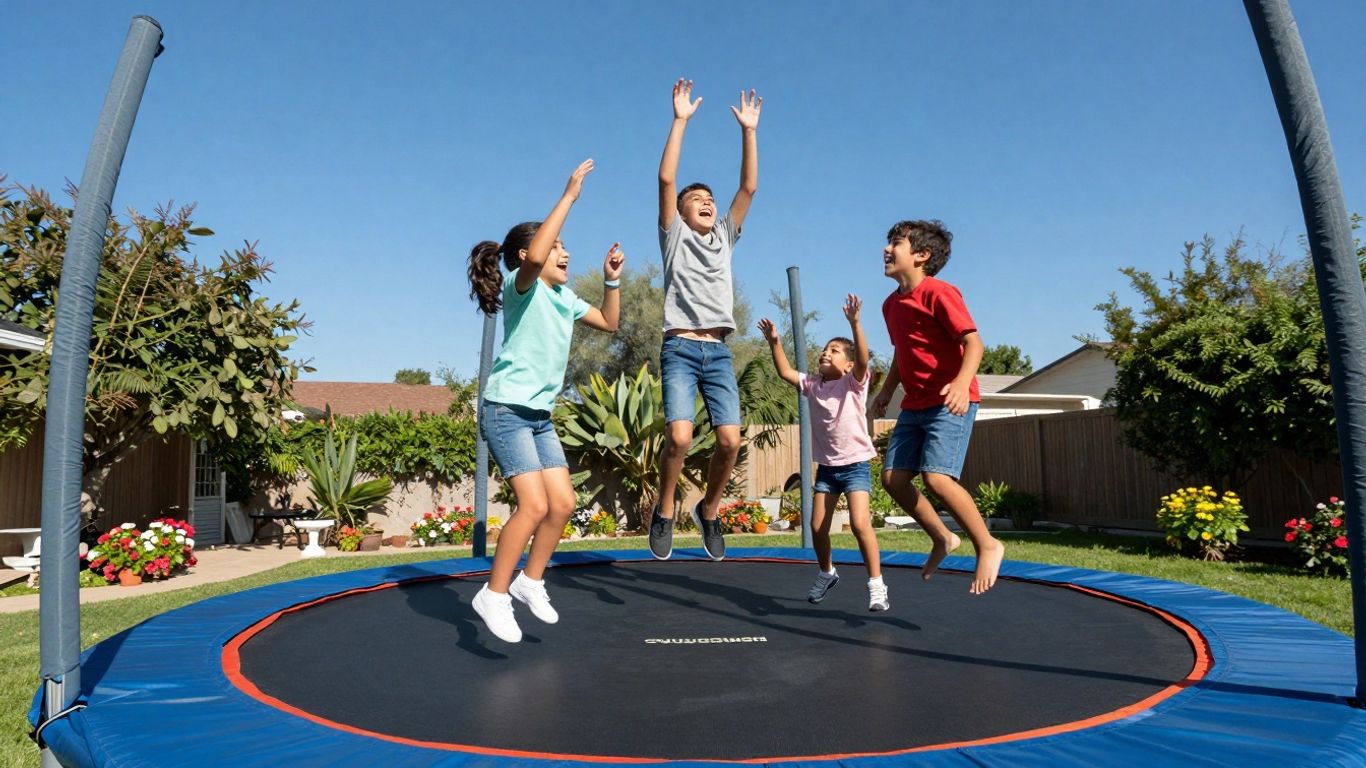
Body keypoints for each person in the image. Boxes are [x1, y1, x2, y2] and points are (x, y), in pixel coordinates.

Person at [466, 159, 625, 642]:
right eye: (557, 246)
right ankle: (491, 594)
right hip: (506, 410)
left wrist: (611, 279)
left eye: (563, 246)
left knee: (562, 503)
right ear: (525, 254)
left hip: (538, 418)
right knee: (533, 506)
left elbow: (610, 322)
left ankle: (529, 581)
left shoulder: (565, 298)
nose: (564, 252)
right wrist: (570, 195)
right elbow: (535, 257)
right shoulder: (524, 288)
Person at [649, 78, 762, 562]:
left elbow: (749, 186)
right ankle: (666, 507)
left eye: (709, 199)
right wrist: (680, 120)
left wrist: (748, 131)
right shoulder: (673, 236)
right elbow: (666, 181)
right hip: (678, 347)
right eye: (697, 199)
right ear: (680, 212)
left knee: (731, 442)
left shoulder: (725, 237)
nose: (706, 201)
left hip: (717, 352)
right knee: (678, 435)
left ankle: (709, 511)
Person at [870, 219, 1005, 594]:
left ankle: (988, 543)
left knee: (937, 478)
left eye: (895, 243)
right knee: (893, 479)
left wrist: (962, 383)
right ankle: (943, 537)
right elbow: (903, 351)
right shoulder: (890, 305)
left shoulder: (940, 293)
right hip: (915, 403)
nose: (886, 249)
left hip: (951, 400)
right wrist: (886, 391)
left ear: (921, 255)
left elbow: (974, 343)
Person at [758, 295, 888, 611]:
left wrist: (855, 323)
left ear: (847, 364)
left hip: (855, 464)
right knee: (817, 527)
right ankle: (827, 572)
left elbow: (863, 360)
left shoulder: (854, 383)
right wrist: (775, 341)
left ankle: (876, 584)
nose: (825, 353)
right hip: (828, 468)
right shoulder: (813, 385)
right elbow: (786, 371)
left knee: (859, 524)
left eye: (834, 351)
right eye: (824, 349)